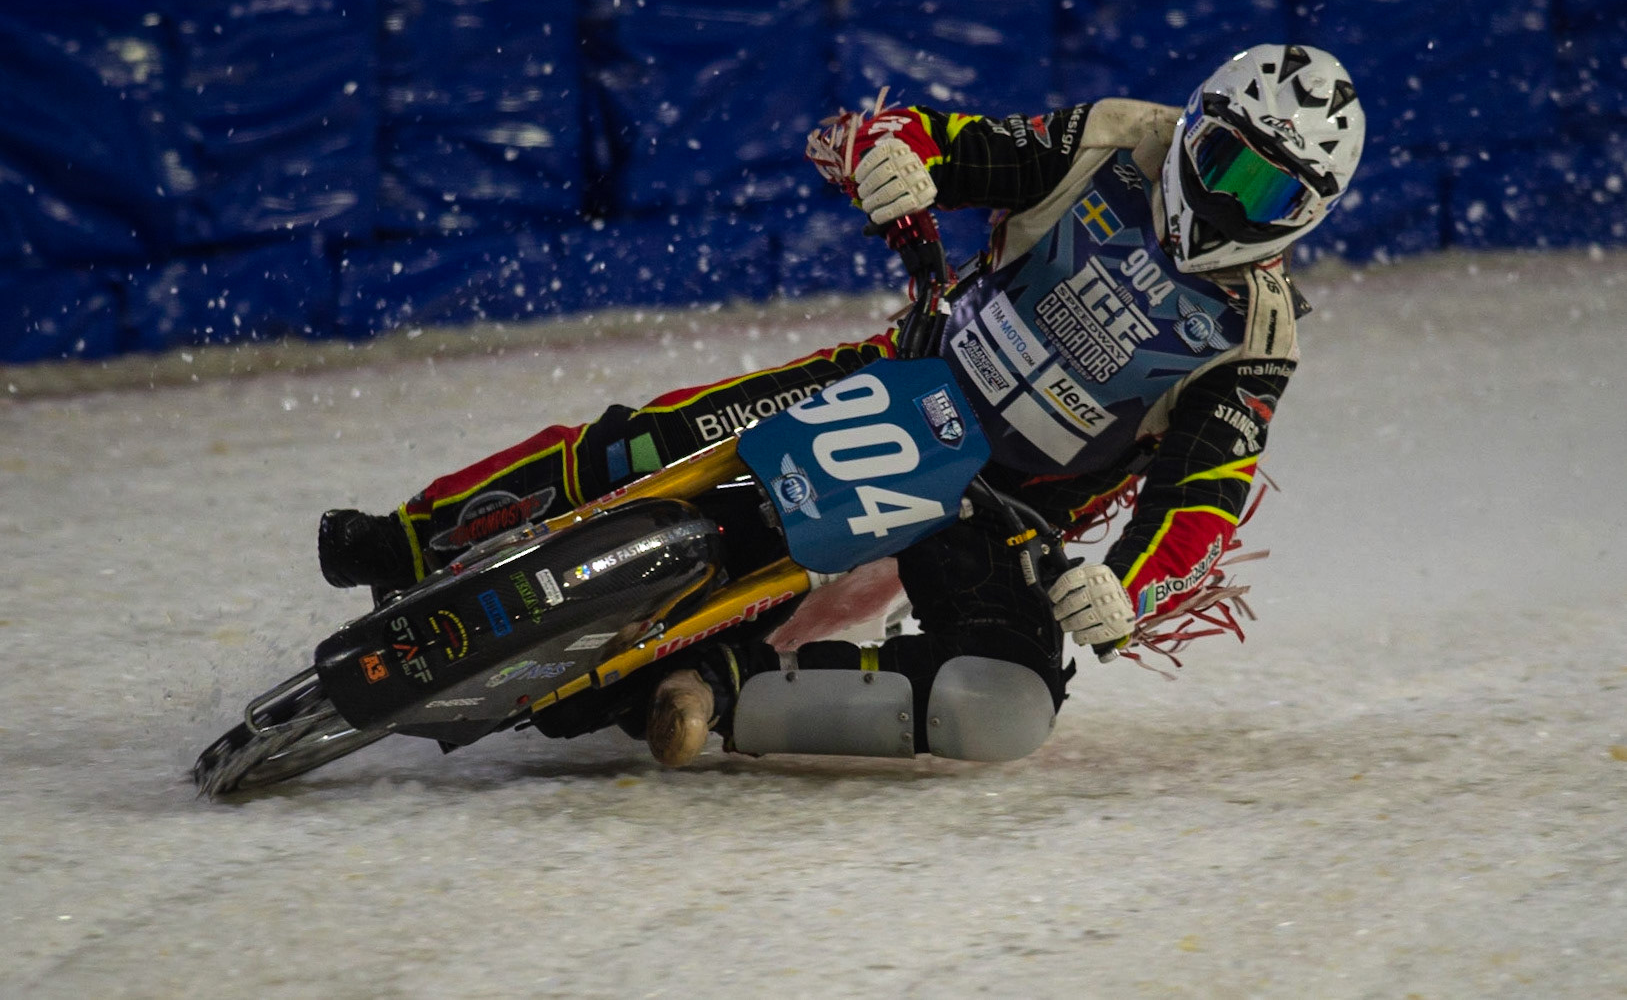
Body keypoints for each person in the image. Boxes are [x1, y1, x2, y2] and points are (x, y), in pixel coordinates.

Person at [318, 44, 1365, 769]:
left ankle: (722, 685)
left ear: (1308, 216)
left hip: (999, 510)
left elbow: (1203, 494)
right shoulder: (1113, 137)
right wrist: (895, 158)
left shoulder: (1257, 338)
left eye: (1269, 195)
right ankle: (410, 537)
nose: (1227, 204)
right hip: (901, 377)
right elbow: (942, 137)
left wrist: (1127, 586)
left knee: (1004, 708)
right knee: (651, 442)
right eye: (1223, 163)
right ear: (1194, 129)